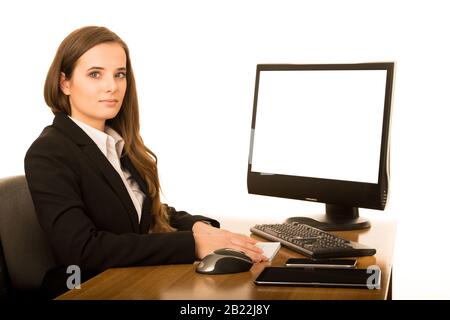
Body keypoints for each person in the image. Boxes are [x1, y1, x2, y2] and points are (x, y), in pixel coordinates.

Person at [24, 26, 266, 299]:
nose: (111, 86)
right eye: (95, 74)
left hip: (130, 281)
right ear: (64, 83)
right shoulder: (49, 152)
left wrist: (197, 226)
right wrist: (192, 244)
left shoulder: (117, 143)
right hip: (82, 288)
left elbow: (144, 211)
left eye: (120, 74)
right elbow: (82, 249)